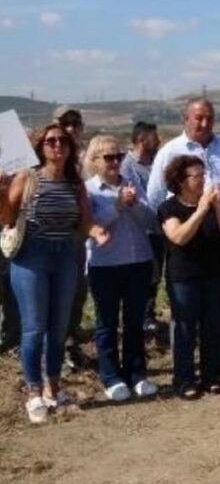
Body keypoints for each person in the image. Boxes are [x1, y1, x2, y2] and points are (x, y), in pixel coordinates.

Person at [2, 124, 108, 422]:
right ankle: (34, 392)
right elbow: (7, 218)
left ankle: (53, 386)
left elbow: (84, 221)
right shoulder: (27, 177)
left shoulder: (75, 184)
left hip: (65, 255)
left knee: (58, 328)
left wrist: (96, 231)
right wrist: (0, 189)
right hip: (31, 255)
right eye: (51, 141)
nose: (57, 145)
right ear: (40, 147)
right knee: (34, 328)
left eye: (63, 140)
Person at [148, 98, 220, 375]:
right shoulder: (170, 151)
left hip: (219, 235)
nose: (204, 123)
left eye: (209, 118)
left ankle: (218, 365)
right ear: (185, 119)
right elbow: (155, 197)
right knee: (186, 316)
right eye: (198, 118)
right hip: (184, 241)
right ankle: (185, 374)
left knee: (218, 311)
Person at [84, 135, 158, 402]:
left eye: (119, 157)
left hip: (137, 262)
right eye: (109, 157)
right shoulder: (89, 190)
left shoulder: (132, 184)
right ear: (94, 161)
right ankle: (110, 376)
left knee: (135, 321)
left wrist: (134, 203)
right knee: (107, 323)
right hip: (105, 266)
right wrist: (117, 206)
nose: (116, 162)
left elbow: (152, 221)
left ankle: (137, 373)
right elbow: (90, 227)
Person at [157, 155, 220, 399]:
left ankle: (210, 375)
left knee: (212, 327)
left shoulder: (210, 204)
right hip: (184, 277)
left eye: (204, 175)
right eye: (197, 176)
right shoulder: (169, 208)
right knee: (184, 329)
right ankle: (184, 379)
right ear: (181, 181)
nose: (203, 180)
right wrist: (201, 210)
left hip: (213, 274)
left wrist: (216, 206)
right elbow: (179, 237)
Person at [53, 107, 89, 371]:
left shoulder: (84, 161)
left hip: (78, 238)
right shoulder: (42, 161)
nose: (72, 128)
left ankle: (70, 344)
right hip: (50, 240)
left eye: (77, 123)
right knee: (54, 297)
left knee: (77, 293)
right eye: (67, 123)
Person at [121, 121, 162, 334]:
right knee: (144, 276)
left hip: (158, 228)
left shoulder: (156, 163)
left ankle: (149, 314)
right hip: (140, 229)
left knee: (155, 276)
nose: (159, 141)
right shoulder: (127, 166)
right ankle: (142, 318)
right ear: (141, 139)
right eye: (154, 137)